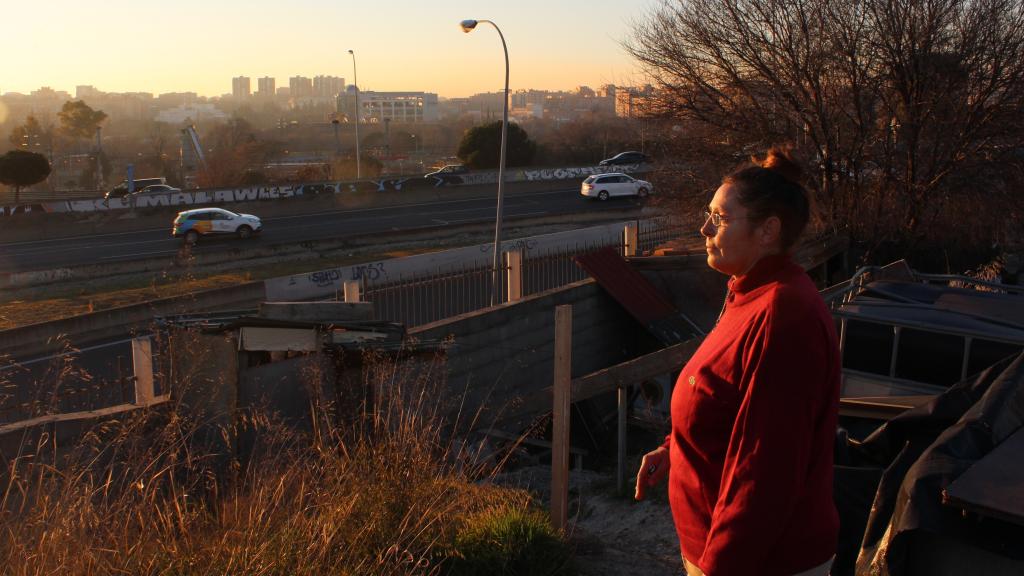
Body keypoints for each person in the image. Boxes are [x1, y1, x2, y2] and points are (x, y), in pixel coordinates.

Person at [634, 148, 840, 576]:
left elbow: (765, 474)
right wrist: (676, 447)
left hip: (760, 561)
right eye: (708, 214)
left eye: (721, 219)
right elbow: (726, 396)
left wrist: (720, 567)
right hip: (718, 544)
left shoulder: (783, 315)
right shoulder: (747, 292)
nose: (704, 228)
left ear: (768, 231)